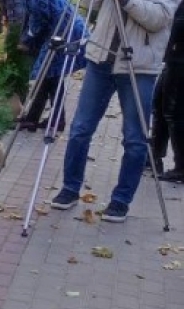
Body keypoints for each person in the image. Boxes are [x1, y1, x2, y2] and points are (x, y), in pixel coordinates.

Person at [49, 0, 179, 222]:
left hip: (139, 66)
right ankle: (70, 188)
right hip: (100, 58)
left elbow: (158, 19)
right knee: (81, 128)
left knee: (134, 138)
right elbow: (92, 5)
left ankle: (121, 200)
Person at [16, 0, 88, 133]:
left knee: (49, 73)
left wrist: (28, 38)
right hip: (66, 28)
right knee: (50, 75)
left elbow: (39, 16)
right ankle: (46, 118)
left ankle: (46, 119)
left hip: (65, 31)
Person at [150, 0, 184, 182]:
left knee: (174, 112)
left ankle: (181, 167)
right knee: (160, 105)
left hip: (179, 60)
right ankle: (154, 156)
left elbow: (177, 24)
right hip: (174, 58)